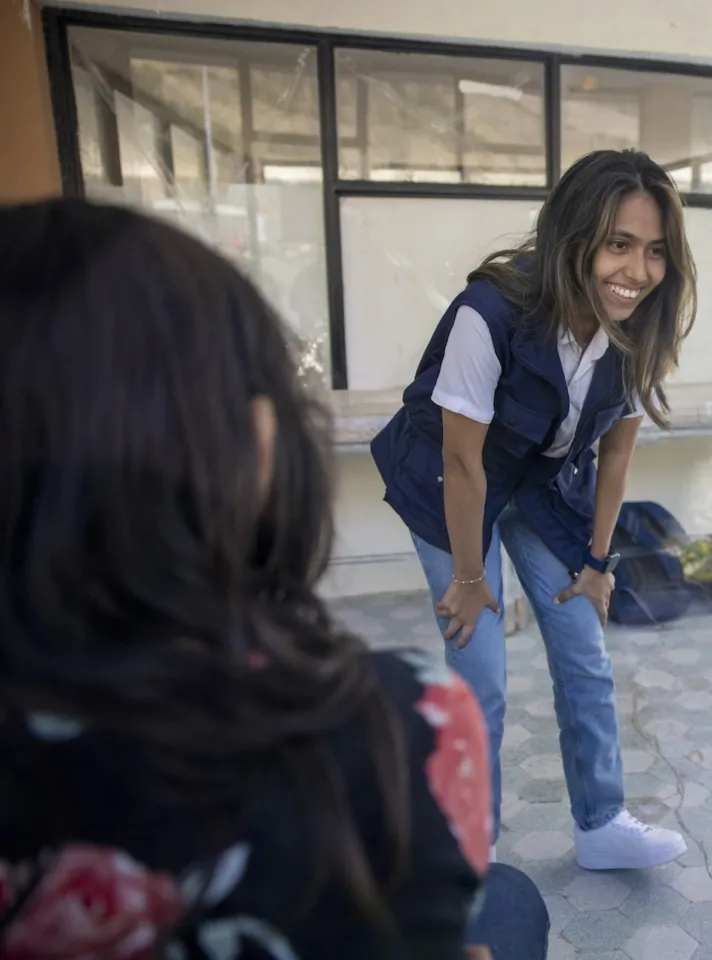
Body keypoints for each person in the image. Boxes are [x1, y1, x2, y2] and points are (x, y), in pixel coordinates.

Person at [0, 199, 547, 959]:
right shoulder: (397, 725)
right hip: (448, 506)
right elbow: (461, 463)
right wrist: (468, 573)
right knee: (508, 902)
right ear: (261, 445)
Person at [370, 149, 695, 870]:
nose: (637, 272)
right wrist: (469, 576)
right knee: (481, 677)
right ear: (573, 234)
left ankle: (602, 823)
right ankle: (470, 851)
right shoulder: (489, 314)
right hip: (449, 481)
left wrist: (598, 562)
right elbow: (461, 461)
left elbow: (615, 454)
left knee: (585, 650)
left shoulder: (638, 329)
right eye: (618, 245)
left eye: (654, 253)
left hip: (539, 482)